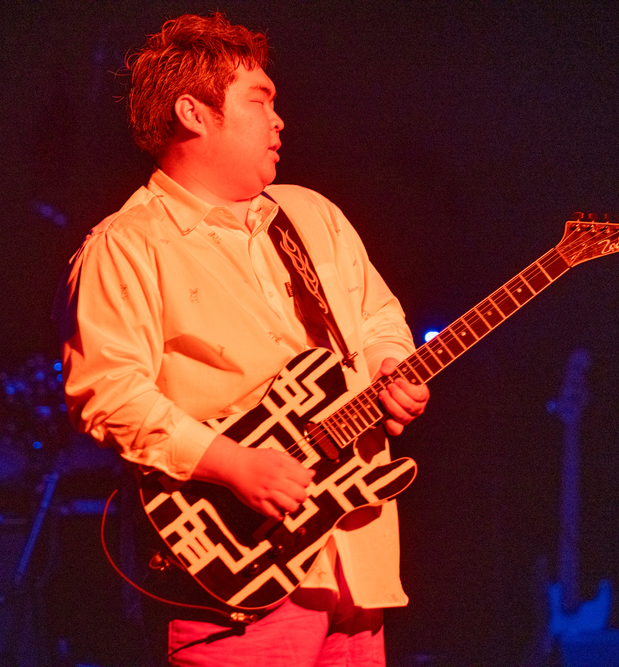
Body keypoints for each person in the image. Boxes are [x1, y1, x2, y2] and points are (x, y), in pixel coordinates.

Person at [55, 12, 429, 666]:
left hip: (355, 556)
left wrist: (389, 362)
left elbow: (376, 317)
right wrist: (231, 463)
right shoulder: (128, 245)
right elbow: (107, 394)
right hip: (238, 574)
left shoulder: (312, 214)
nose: (278, 120)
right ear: (194, 113)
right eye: (259, 101)